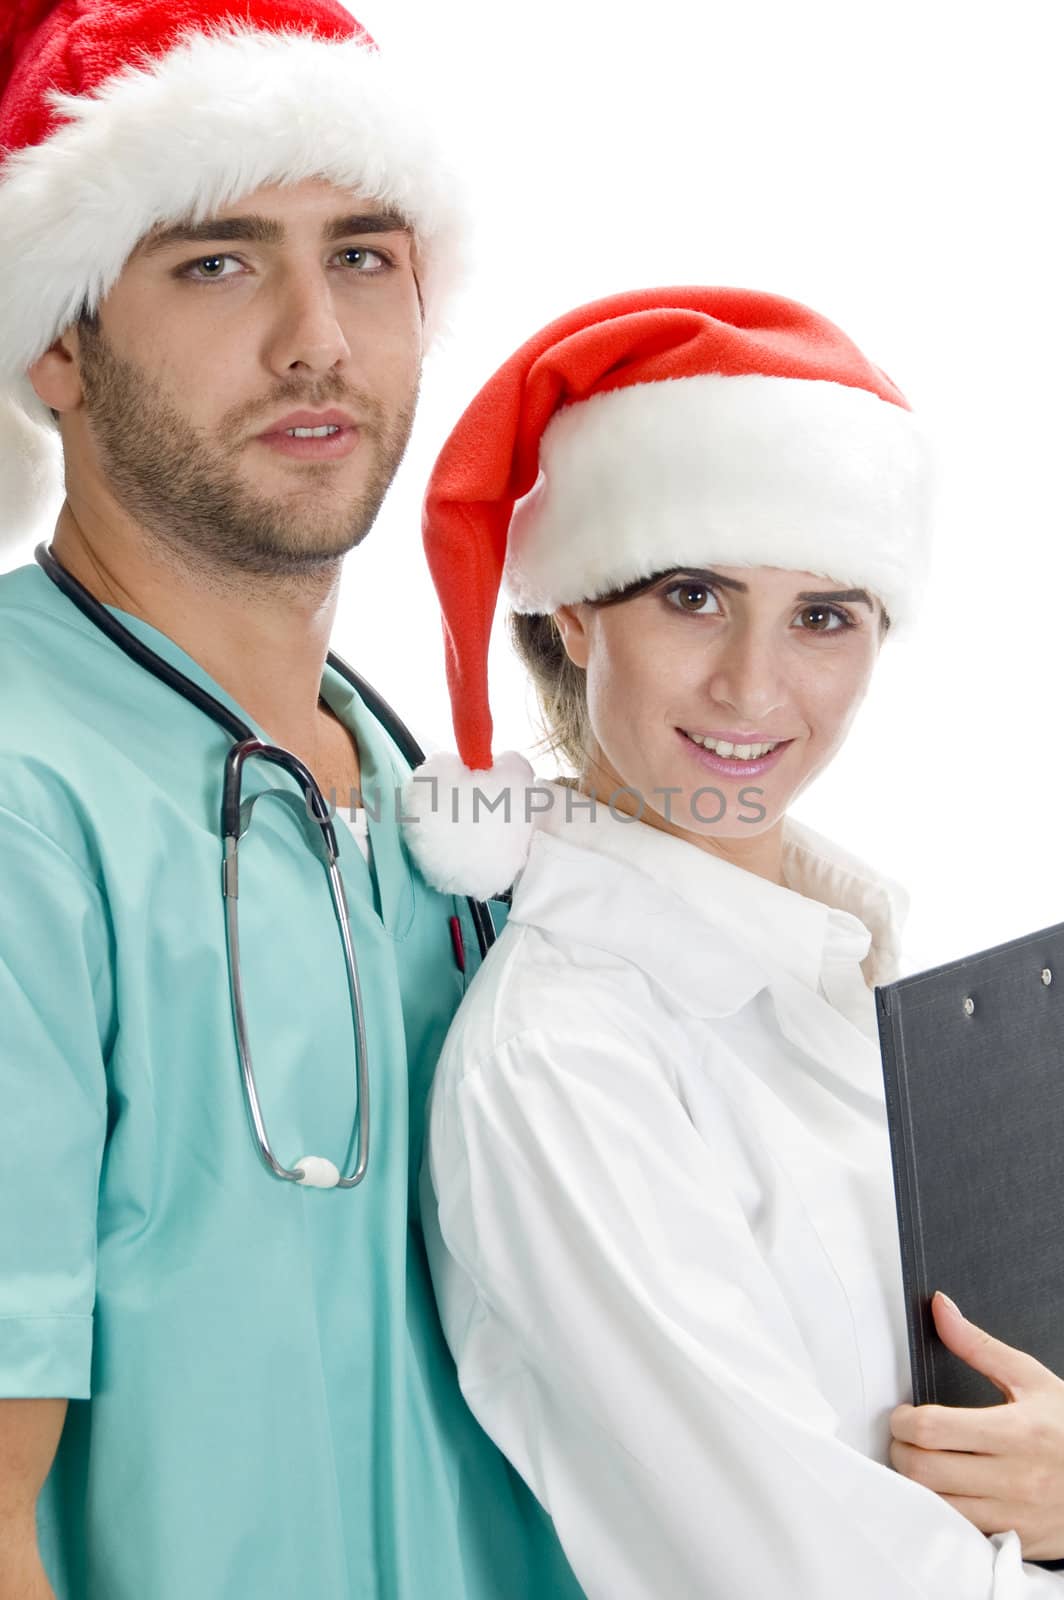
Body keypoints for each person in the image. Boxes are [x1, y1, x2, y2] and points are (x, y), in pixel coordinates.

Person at [0, 3, 584, 1597]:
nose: (315, 336)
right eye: (218, 260)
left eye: (366, 256)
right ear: (60, 339)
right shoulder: (23, 796)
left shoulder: (411, 793)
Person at [400, 286, 1064, 1597]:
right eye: (694, 596)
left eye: (824, 616)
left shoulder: (838, 983)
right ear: (576, 611)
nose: (753, 689)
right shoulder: (566, 1060)